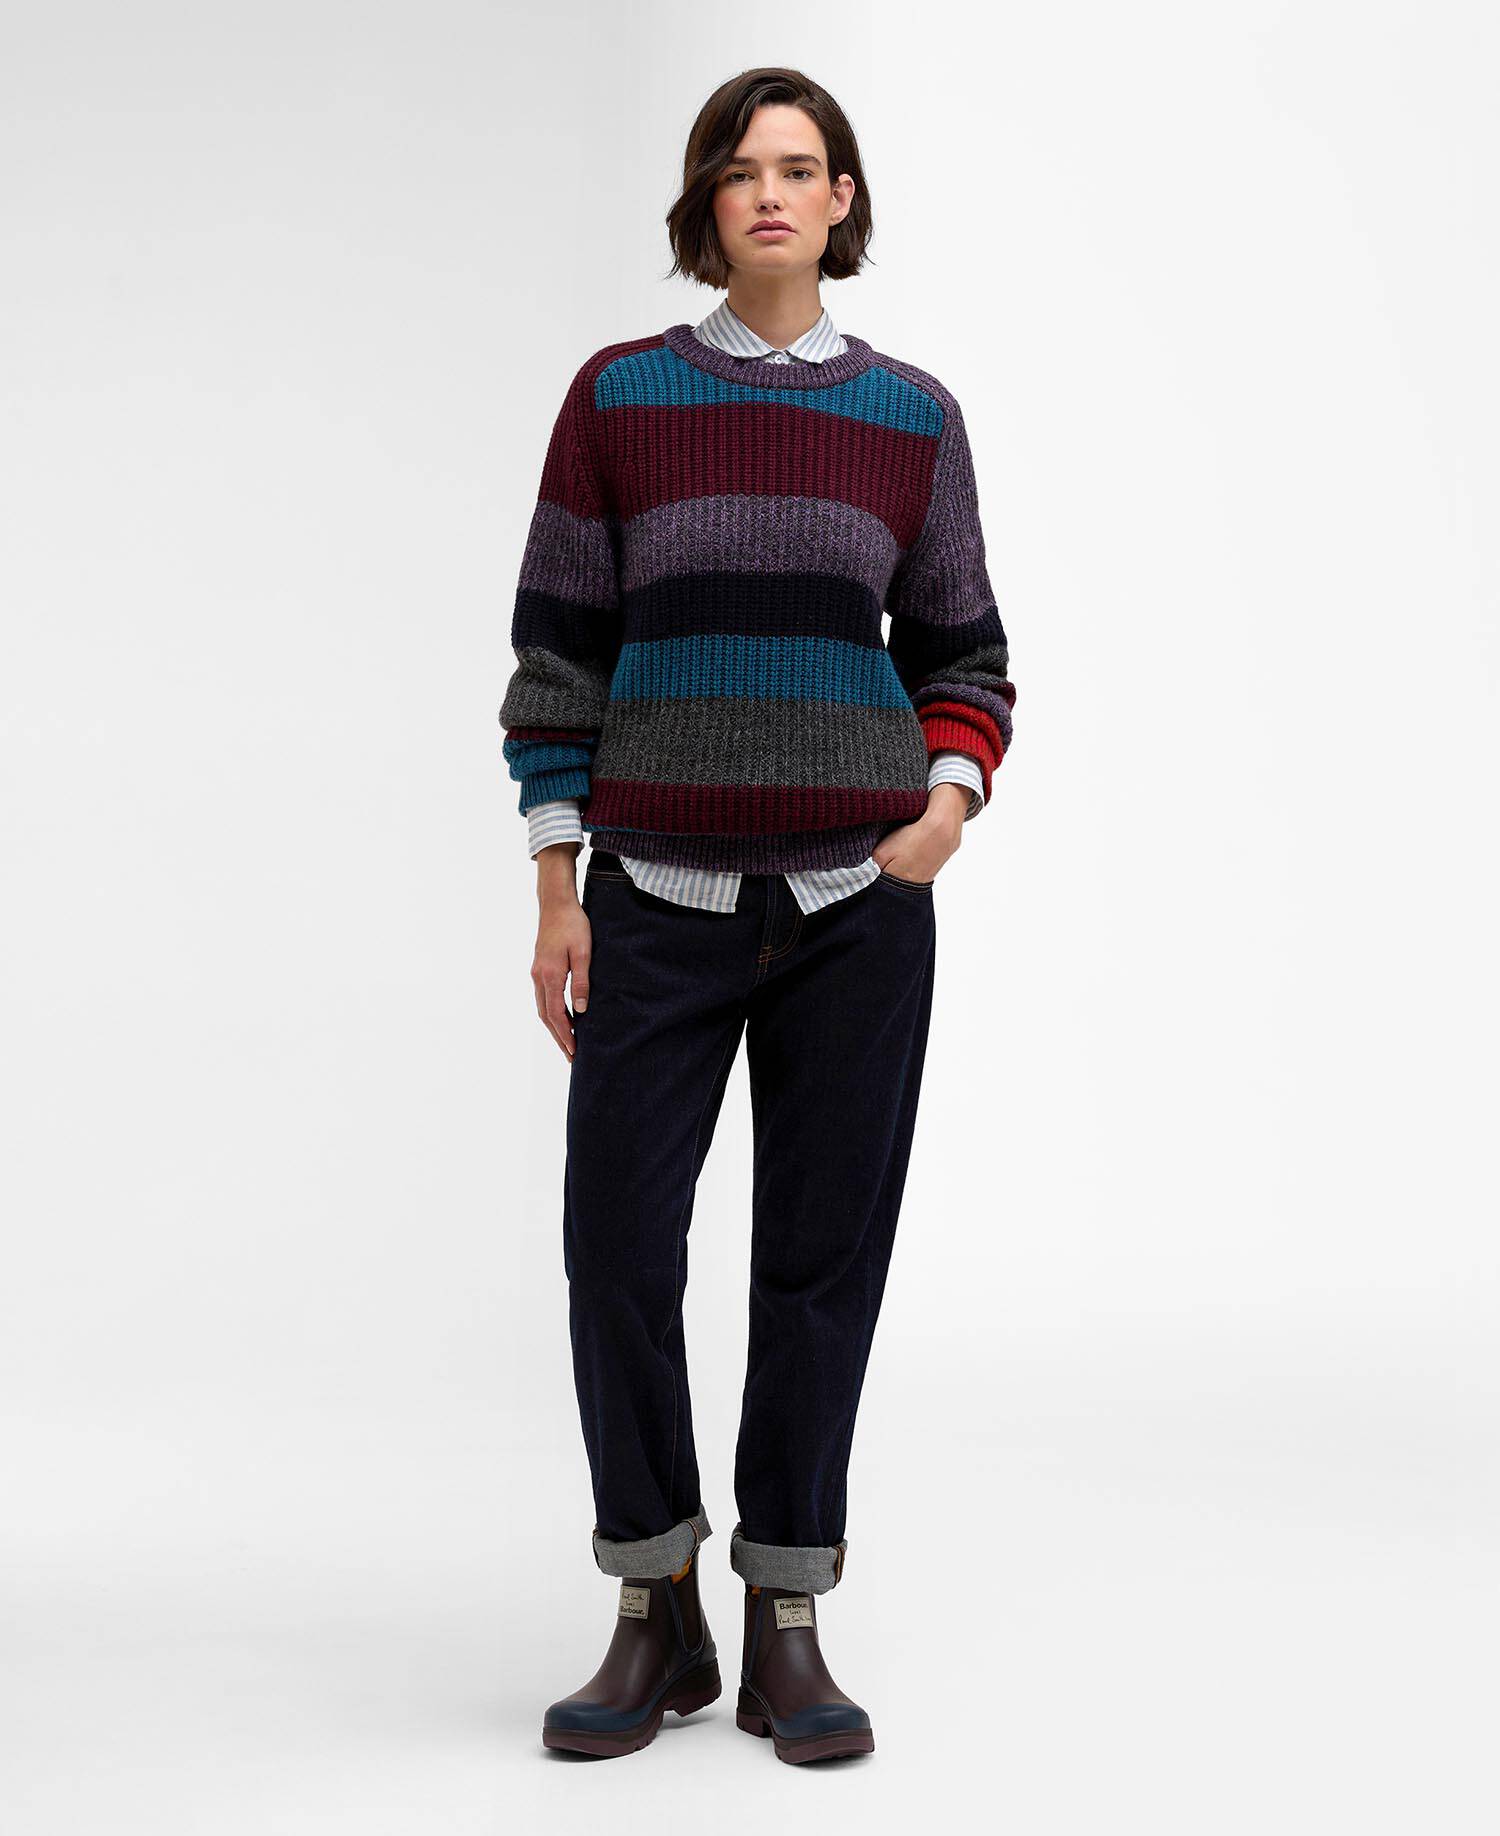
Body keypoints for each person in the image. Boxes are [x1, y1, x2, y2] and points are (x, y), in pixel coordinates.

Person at [499, 66, 1015, 1765]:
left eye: (802, 168)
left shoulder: (913, 416)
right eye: (741, 169)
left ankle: (788, 1616)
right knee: (617, 1252)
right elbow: (559, 654)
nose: (772, 193)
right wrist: (559, 884)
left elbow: (964, 652)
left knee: (817, 1264)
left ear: (843, 200)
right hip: (653, 900)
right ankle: (653, 1605)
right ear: (706, 204)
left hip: (859, 907)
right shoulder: (621, 396)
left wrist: (942, 812)